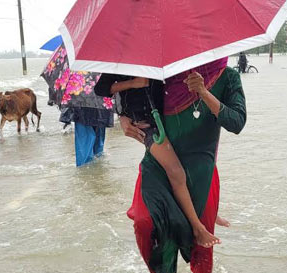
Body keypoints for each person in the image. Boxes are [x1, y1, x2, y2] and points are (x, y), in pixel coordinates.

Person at [115, 58, 244, 273]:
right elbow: (124, 90)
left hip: (201, 171)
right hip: (159, 164)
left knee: (202, 259)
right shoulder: (157, 73)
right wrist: (123, 116)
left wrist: (204, 92)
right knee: (144, 224)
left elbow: (237, 123)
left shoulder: (226, 76)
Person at [94, 73, 221, 248]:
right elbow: (100, 89)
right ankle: (197, 228)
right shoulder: (122, 60)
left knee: (196, 159)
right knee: (175, 171)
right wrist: (132, 83)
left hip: (168, 118)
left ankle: (207, 211)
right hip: (146, 125)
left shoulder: (158, 57)